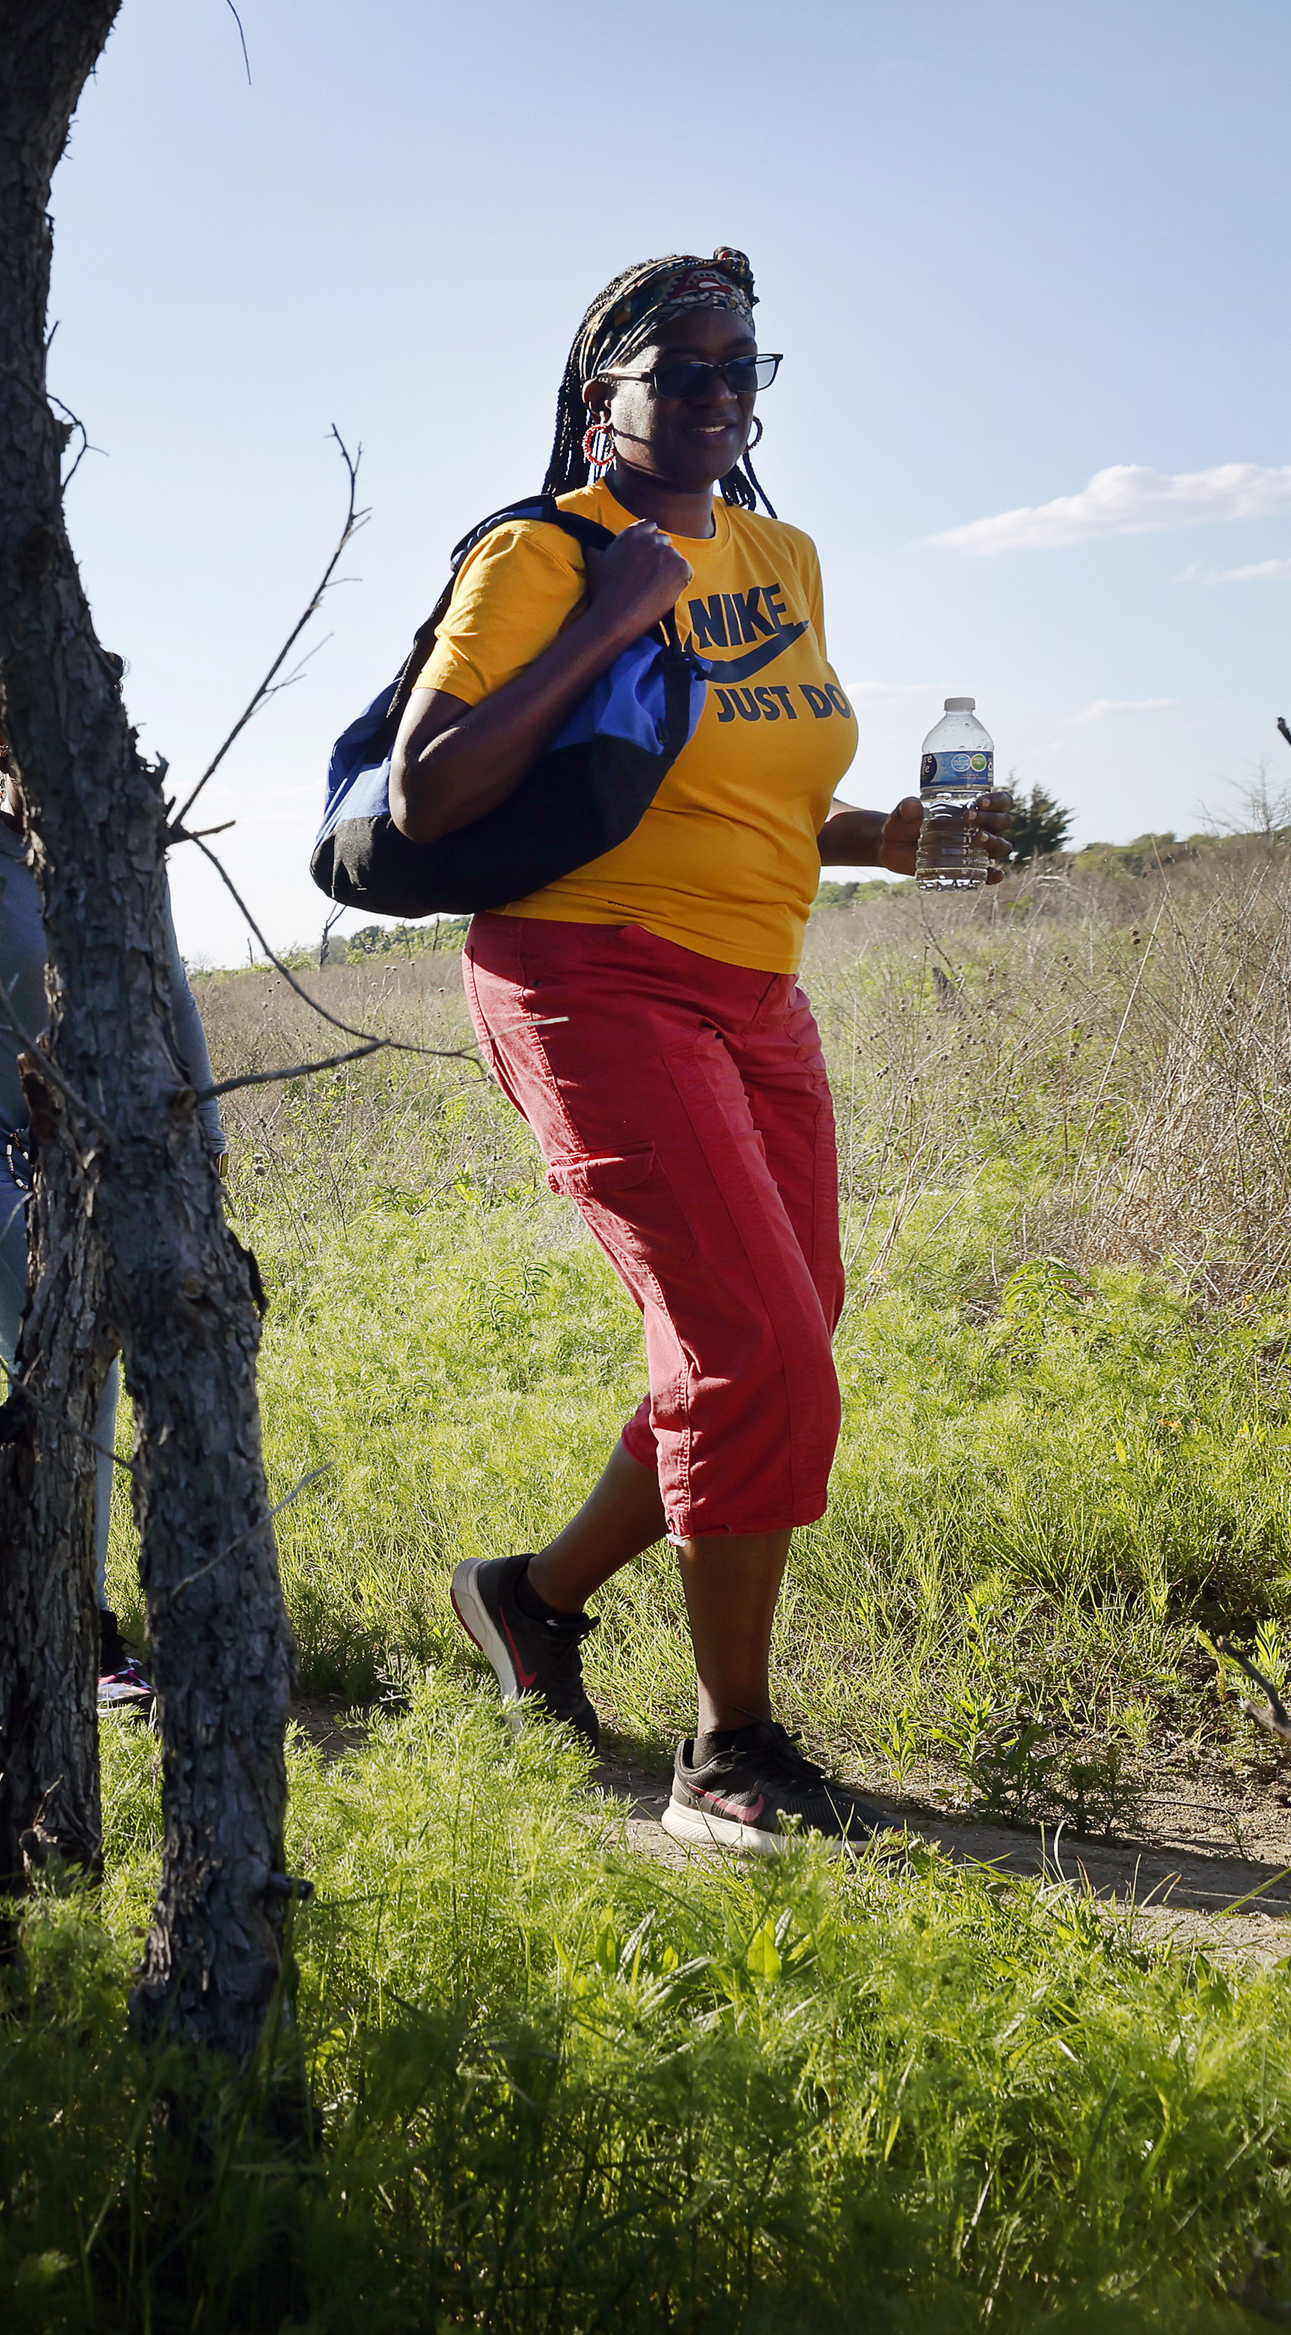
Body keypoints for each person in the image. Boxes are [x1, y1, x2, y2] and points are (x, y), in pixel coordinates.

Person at [397, 247, 995, 1851]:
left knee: (782, 1331)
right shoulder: (545, 552)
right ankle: (728, 1755)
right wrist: (607, 615)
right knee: (761, 1355)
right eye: (692, 374)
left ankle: (524, 1600)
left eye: (749, 370)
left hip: (756, 991)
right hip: (591, 980)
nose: (726, 399)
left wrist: (891, 836)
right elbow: (431, 789)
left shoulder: (785, 554)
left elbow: (767, 787)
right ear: (609, 401)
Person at [0, 700, 221, 1711]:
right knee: (74, 1357)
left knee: (88, 1371)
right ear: (0, 747)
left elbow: (174, 998)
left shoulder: (118, 866)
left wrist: (207, 1144)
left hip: (89, 1168)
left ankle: (49, 1610)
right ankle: (80, 1631)